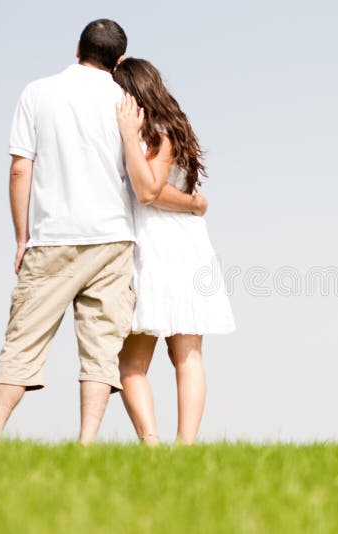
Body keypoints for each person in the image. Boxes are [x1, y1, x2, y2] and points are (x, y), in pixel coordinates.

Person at [0, 20, 206, 444]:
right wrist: (194, 202)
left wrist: (21, 236)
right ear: (119, 59)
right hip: (113, 240)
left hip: (52, 237)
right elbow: (145, 182)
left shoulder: (36, 93)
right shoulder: (128, 103)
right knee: (101, 349)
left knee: (22, 341)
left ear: (78, 47)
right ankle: (87, 442)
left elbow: (19, 168)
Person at [113, 58, 236, 445]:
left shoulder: (154, 134)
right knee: (187, 356)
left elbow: (148, 191)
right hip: (186, 245)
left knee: (133, 362)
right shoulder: (173, 128)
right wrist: (193, 204)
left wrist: (129, 137)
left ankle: (154, 445)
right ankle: (185, 446)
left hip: (157, 246)